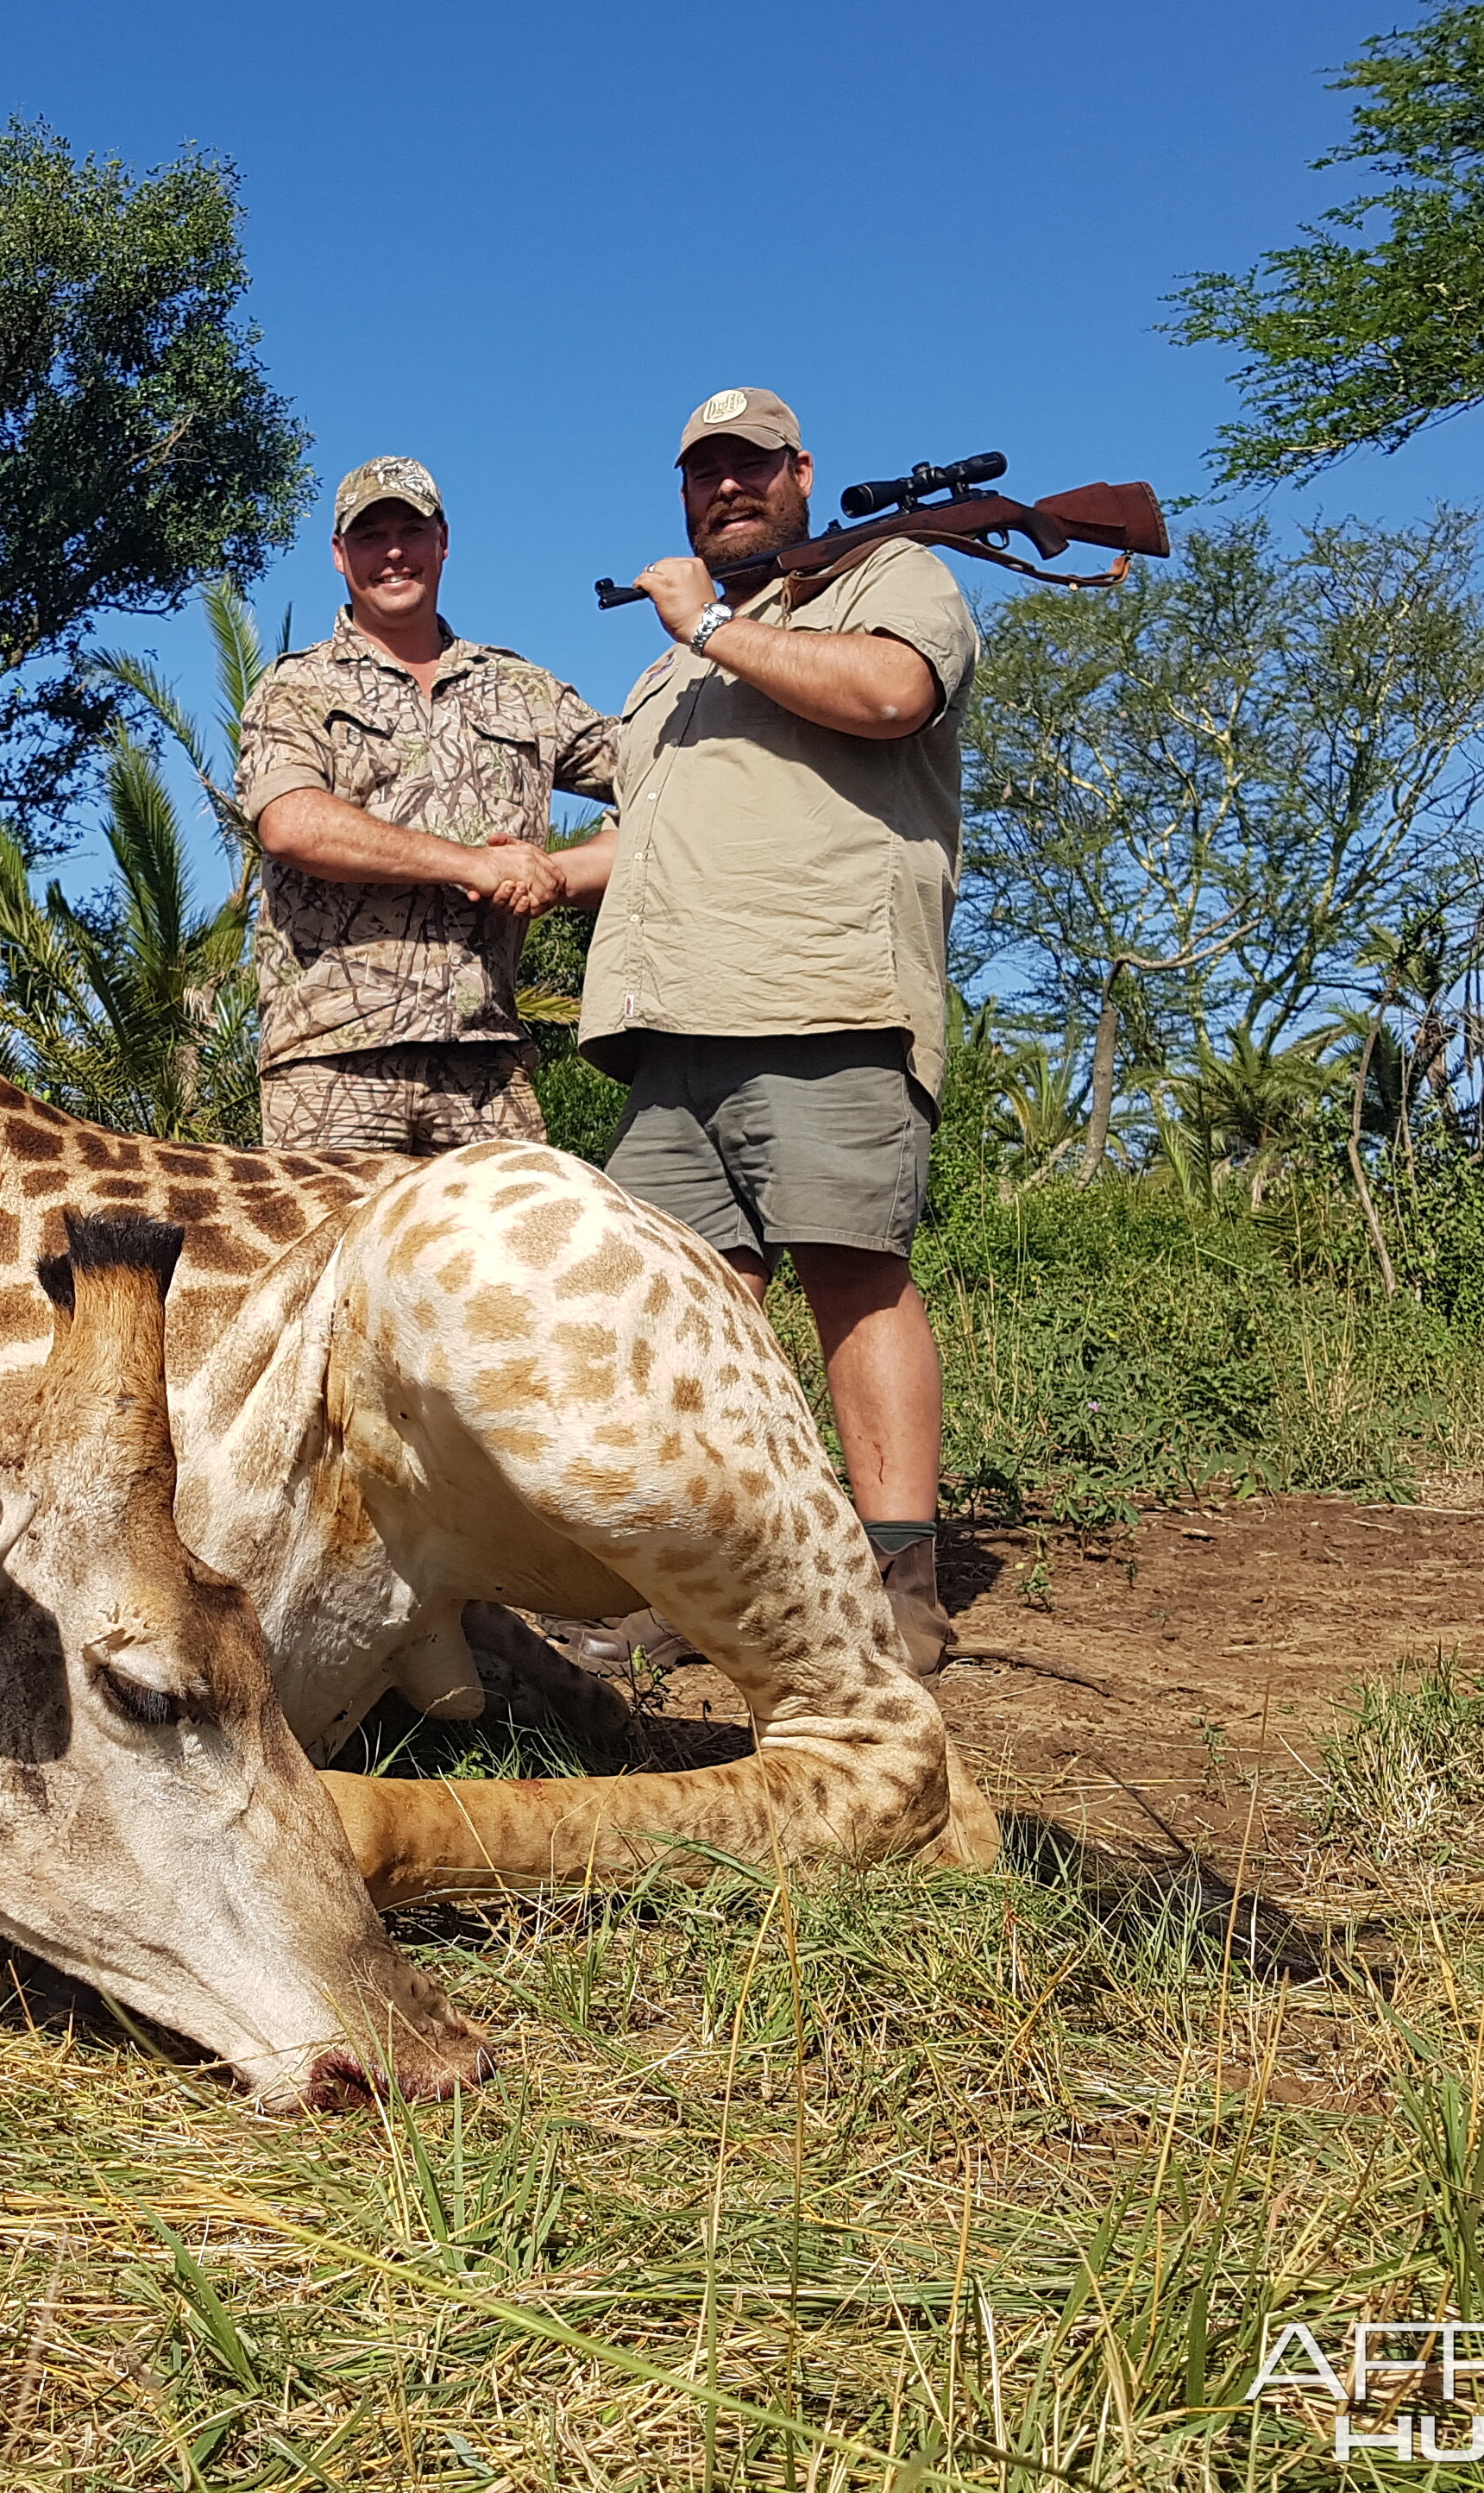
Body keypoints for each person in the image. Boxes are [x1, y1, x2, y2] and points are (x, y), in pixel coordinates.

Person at [554, 387, 978, 1672]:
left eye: (750, 469)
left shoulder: (891, 578)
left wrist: (711, 627)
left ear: (801, 473)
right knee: (678, 1307)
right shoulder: (678, 666)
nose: (726, 489)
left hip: (823, 990)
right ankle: (701, 1586)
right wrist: (523, 867)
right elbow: (654, 832)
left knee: (851, 1273)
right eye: (704, 475)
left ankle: (901, 1583)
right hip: (670, 1019)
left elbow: (893, 694)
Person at [236, 456, 615, 1154]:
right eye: (370, 534)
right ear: (339, 554)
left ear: (442, 540)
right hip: (331, 1066)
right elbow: (292, 823)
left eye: (411, 530)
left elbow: (662, 779)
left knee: (513, 1264)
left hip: (490, 1067)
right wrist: (468, 864)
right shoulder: (296, 688)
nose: (393, 552)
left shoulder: (524, 689)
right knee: (331, 1265)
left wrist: (564, 873)